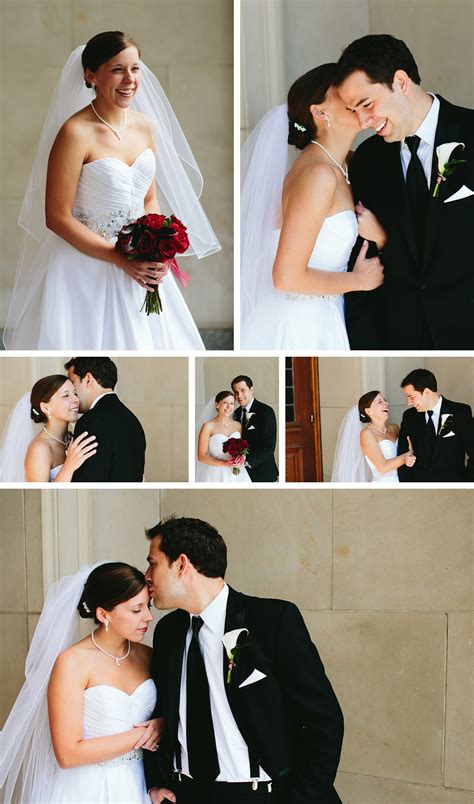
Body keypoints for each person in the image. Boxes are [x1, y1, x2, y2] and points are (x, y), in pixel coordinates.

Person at [4, 31, 220, 350]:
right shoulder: (75, 133)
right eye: (117, 69)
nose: (129, 79)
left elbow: (148, 198)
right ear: (91, 75)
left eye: (135, 69)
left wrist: (158, 248)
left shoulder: (146, 126)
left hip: (141, 262)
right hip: (85, 266)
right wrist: (120, 259)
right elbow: (57, 217)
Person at [143, 516, 344, 804]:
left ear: (182, 564)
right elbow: (160, 714)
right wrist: (156, 783)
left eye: (153, 563)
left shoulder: (272, 621)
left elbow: (323, 722)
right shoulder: (168, 632)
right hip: (185, 794)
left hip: (262, 796)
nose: (147, 575)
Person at [335, 34, 474, 349]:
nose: (362, 121)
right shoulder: (368, 160)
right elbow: (361, 263)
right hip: (400, 333)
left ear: (400, 81)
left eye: (366, 104)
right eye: (353, 111)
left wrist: (386, 239)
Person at [240, 63, 384, 349]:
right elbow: (286, 277)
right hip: (298, 323)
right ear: (320, 111)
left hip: (326, 314)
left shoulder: (344, 165)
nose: (352, 97)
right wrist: (357, 281)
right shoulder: (317, 174)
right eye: (343, 93)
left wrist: (380, 236)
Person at [0, 562, 161, 803]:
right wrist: (152, 732)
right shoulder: (72, 662)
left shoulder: (149, 656)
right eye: (136, 610)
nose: (148, 617)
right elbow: (68, 754)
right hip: (86, 789)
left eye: (147, 606)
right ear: (103, 614)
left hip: (138, 786)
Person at [0, 374, 97, 482]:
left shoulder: (73, 437)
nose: (76, 400)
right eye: (66, 396)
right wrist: (68, 467)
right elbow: (44, 493)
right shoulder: (40, 448)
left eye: (75, 393)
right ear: (45, 407)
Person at [65, 356, 146, 482]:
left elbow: (86, 480)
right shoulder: (133, 420)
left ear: (88, 379)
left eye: (72, 383)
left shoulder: (90, 422)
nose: (72, 392)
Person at [398, 369, 474, 481]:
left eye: (411, 397)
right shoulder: (409, 417)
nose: (409, 402)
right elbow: (402, 455)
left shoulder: (460, 412)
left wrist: (466, 485)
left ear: (427, 392)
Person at [332, 390, 416, 483]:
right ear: (368, 411)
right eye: (380, 402)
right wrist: (409, 454)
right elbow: (383, 467)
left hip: (405, 481)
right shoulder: (367, 434)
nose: (386, 403)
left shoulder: (395, 428)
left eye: (385, 400)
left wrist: (410, 458)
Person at [196, 391, 251, 482]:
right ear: (217, 405)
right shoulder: (208, 426)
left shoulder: (238, 425)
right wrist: (225, 463)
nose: (229, 406)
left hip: (237, 473)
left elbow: (242, 449)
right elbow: (201, 456)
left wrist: (242, 457)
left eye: (232, 403)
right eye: (225, 403)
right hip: (215, 473)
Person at [231, 375, 278, 482]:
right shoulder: (236, 413)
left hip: (262, 472)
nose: (239, 395)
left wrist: (246, 460)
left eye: (243, 390)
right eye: (236, 392)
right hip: (241, 473)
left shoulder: (266, 411)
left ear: (252, 389)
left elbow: (269, 446)